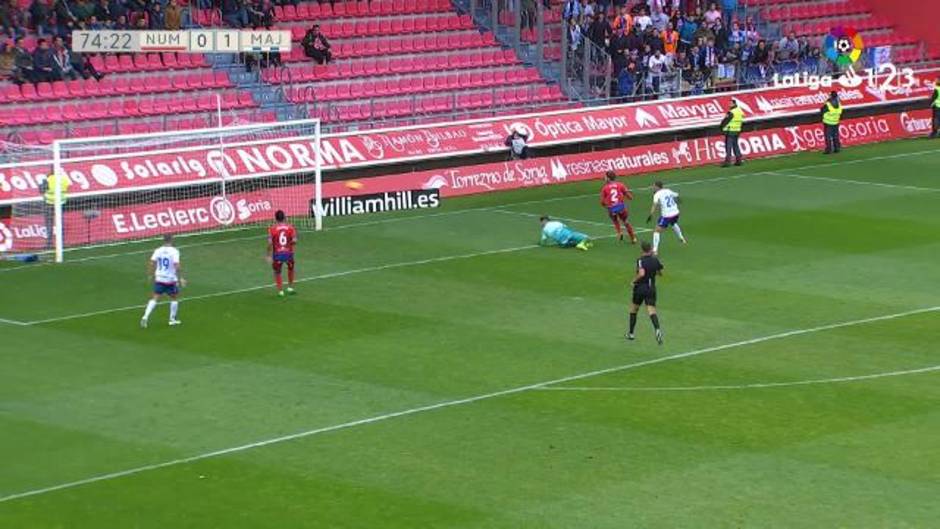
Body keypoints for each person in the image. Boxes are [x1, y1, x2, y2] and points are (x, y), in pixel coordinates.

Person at [141, 234, 185, 328]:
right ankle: (172, 319)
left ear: (164, 240)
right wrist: (181, 277)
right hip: (170, 279)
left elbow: (152, 262)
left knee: (155, 297)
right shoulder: (174, 251)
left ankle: (145, 316)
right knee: (174, 297)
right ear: (171, 240)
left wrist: (150, 274)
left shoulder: (158, 250)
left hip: (159, 277)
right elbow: (176, 265)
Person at [627, 241, 664, 344]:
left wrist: (634, 280)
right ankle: (657, 329)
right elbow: (660, 273)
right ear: (650, 249)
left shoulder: (640, 260)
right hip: (651, 288)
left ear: (642, 250)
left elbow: (642, 273)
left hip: (640, 288)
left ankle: (631, 333)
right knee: (651, 310)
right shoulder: (655, 260)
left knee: (634, 309)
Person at [647, 180, 686, 254]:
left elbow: (654, 205)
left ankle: (655, 250)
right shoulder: (668, 190)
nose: (653, 187)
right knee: (673, 223)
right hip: (676, 212)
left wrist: (651, 214)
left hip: (667, 215)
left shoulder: (657, 194)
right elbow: (677, 195)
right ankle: (681, 238)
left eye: (654, 186)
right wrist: (679, 202)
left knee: (656, 231)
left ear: (657, 187)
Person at [600, 171, 637, 243]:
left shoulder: (605, 188)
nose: (604, 178)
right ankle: (633, 238)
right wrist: (630, 197)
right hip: (621, 207)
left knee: (615, 220)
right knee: (626, 222)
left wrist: (606, 205)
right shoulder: (620, 185)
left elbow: (602, 202)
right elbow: (629, 196)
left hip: (611, 208)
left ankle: (619, 232)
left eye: (605, 177)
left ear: (608, 178)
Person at [267, 209, 297, 297]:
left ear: (275, 219)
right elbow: (295, 241)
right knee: (290, 269)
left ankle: (280, 291)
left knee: (277, 272)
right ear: (284, 218)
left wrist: (268, 255)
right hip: (288, 253)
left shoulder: (272, 229)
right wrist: (288, 245)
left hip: (277, 254)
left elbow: (270, 243)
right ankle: (290, 287)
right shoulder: (290, 228)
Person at [39, 171, 69, 249]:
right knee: (60, 223)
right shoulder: (64, 178)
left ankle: (49, 244)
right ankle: (62, 243)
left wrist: (41, 184)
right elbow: (67, 187)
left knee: (49, 224)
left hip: (49, 203)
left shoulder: (47, 179)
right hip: (60, 203)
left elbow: (41, 190)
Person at [719, 98, 744, 167]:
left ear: (734, 104)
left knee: (728, 146)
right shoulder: (739, 111)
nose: (729, 105)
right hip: (737, 130)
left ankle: (728, 161)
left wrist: (721, 127)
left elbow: (725, 121)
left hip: (730, 131)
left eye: (730, 103)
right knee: (735, 145)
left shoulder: (732, 112)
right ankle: (739, 160)